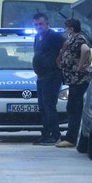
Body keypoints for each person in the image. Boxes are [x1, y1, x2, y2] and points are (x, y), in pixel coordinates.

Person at [56, 18, 91, 148]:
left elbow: (86, 50)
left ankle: (71, 138)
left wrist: (80, 65)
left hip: (79, 80)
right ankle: (71, 136)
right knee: (72, 107)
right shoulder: (72, 40)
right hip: (74, 80)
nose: (65, 30)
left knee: (74, 108)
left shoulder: (79, 39)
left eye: (66, 28)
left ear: (71, 29)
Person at [32, 12, 66, 145]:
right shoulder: (37, 37)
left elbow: (66, 43)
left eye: (40, 24)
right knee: (42, 107)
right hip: (41, 76)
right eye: (36, 25)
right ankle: (45, 134)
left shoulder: (53, 35)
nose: (38, 27)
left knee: (49, 106)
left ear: (47, 23)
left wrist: (59, 58)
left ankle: (55, 135)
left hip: (52, 75)